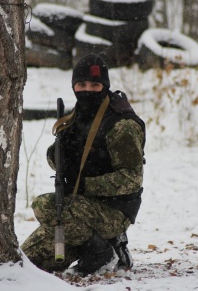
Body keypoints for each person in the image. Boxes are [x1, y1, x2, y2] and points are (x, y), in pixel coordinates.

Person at [21, 53, 146, 277]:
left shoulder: (121, 125)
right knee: (27, 264)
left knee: (44, 205)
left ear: (105, 86)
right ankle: (91, 244)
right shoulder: (76, 116)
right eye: (81, 84)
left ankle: (104, 251)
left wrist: (85, 185)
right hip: (77, 209)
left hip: (113, 210)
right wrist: (58, 157)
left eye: (95, 85)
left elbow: (132, 179)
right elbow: (58, 161)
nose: (87, 89)